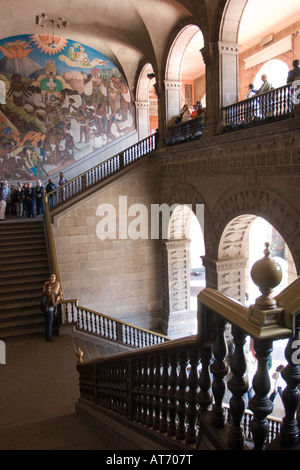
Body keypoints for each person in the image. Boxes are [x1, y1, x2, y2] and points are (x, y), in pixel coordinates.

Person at [42, 274, 62, 341]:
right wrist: (57, 301)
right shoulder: (51, 295)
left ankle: (46, 335)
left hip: (44, 308)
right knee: (49, 323)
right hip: (49, 309)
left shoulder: (44, 293)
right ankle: (49, 337)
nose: (54, 278)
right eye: (52, 276)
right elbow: (53, 303)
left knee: (47, 322)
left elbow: (56, 290)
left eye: (54, 277)